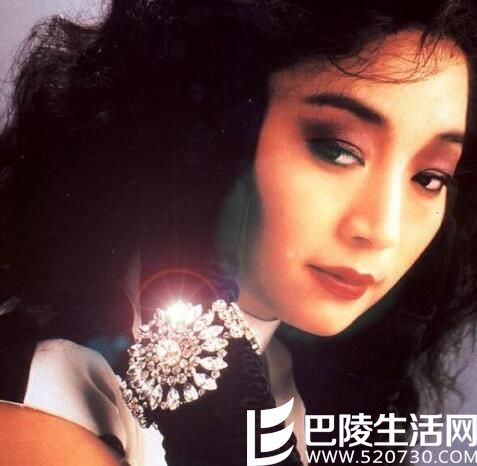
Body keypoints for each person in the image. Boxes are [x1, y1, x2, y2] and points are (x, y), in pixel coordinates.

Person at [1, 0, 477, 465]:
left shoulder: (305, 388)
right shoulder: (46, 406)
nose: (384, 230)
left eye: (429, 177)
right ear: (214, 134)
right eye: (336, 150)